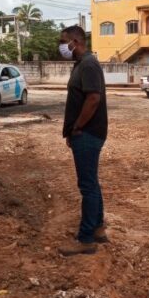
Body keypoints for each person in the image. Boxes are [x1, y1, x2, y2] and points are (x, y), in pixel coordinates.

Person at [58, 25, 109, 256]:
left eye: (63, 41)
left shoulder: (88, 64)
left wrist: (77, 126)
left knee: (87, 186)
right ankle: (97, 229)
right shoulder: (81, 64)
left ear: (75, 42)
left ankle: (86, 239)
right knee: (92, 183)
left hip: (87, 133)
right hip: (84, 133)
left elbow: (93, 98)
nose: (61, 46)